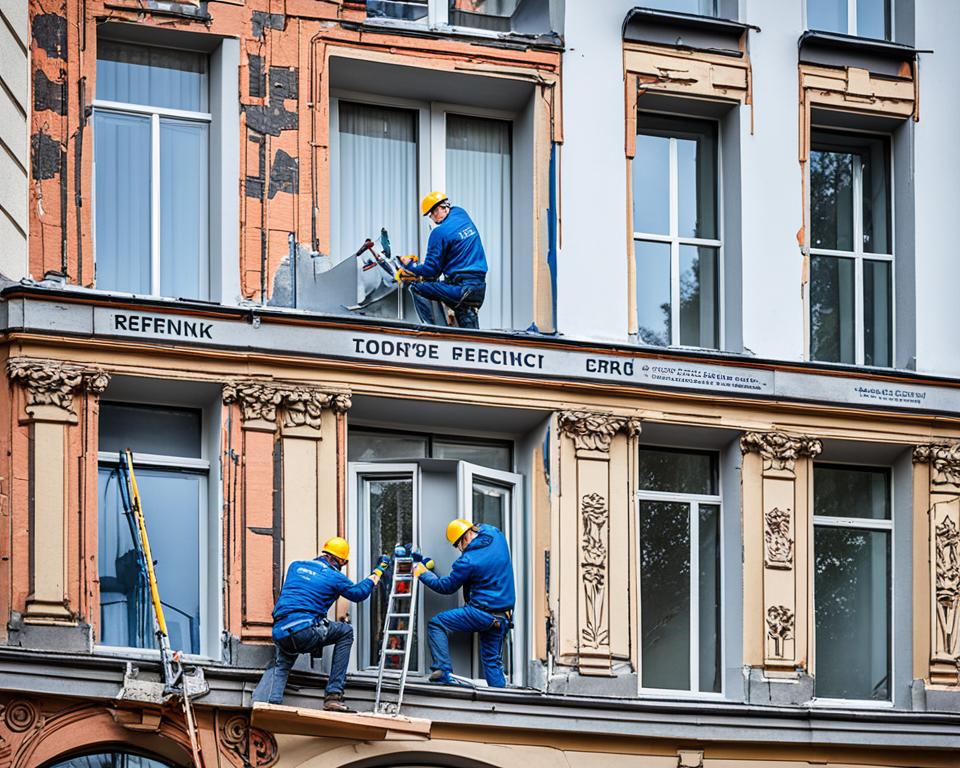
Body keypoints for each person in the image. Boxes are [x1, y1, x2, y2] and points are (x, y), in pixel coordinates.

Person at [252, 536, 390, 711]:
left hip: (281, 631)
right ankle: (333, 694)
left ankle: (266, 704)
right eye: (342, 563)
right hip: (306, 630)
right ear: (336, 560)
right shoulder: (334, 576)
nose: (341, 567)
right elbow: (359, 593)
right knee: (345, 631)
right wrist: (378, 571)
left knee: (282, 663)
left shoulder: (295, 566)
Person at [413, 518, 515, 687]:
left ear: (464, 539)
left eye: (457, 546)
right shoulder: (496, 535)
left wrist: (423, 573)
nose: (459, 550)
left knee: (436, 624)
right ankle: (501, 702)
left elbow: (446, 586)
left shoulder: (467, 561)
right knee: (492, 662)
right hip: (503, 617)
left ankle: (442, 671)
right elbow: (482, 527)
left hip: (481, 613)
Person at [397, 192, 488, 329]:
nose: (432, 218)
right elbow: (451, 255)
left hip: (461, 288)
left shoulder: (439, 233)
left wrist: (411, 266)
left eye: (432, 214)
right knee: (469, 332)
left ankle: (430, 330)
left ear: (440, 209)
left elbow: (430, 271)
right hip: (478, 287)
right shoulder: (461, 213)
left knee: (416, 287)